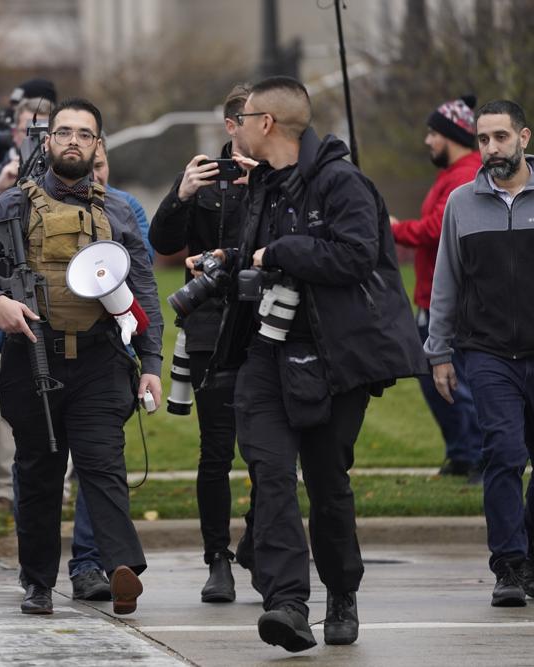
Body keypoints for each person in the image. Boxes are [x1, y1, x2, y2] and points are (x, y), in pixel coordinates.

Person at [196, 76, 425, 651]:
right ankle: (287, 605)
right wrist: (230, 263)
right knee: (270, 479)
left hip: (334, 361)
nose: (237, 128)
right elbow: (257, 259)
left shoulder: (342, 182)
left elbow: (355, 256)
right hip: (267, 354)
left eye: (244, 118)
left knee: (327, 484)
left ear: (267, 124)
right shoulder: (260, 187)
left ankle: (341, 593)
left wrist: (282, 252)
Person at [0, 98, 162, 616]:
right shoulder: (12, 206)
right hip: (33, 357)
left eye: (84, 134)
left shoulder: (117, 210)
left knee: (104, 467)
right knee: (39, 473)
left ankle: (121, 570)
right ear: (47, 142)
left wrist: (153, 366)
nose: (73, 140)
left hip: (99, 360)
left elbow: (144, 292)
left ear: (98, 146)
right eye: (64, 132)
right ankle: (38, 582)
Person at [426, 99, 534, 608]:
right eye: (483, 140)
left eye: (500, 138)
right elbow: (446, 281)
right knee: (505, 455)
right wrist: (439, 353)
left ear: (524, 138)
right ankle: (509, 566)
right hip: (487, 354)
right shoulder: (462, 204)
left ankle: (528, 552)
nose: (490, 148)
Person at [149, 84, 251, 603]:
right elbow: (163, 242)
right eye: (257, 118)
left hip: (269, 323)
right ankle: (218, 558)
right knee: (217, 451)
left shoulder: (281, 177)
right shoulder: (206, 178)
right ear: (232, 125)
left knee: (272, 452)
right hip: (212, 326)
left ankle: (258, 540)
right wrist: (182, 192)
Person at [390, 96, 484, 482]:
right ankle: (462, 453)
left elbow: (435, 229)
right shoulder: (453, 173)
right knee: (436, 383)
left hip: (451, 302)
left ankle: (480, 457)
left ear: (450, 135)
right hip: (431, 295)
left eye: (433, 133)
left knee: (455, 383)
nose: (427, 141)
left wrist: (392, 229)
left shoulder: (465, 175)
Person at [93, 137, 153, 261]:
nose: (94, 177)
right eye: (84, 169)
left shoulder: (128, 203)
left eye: (98, 166)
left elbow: (145, 258)